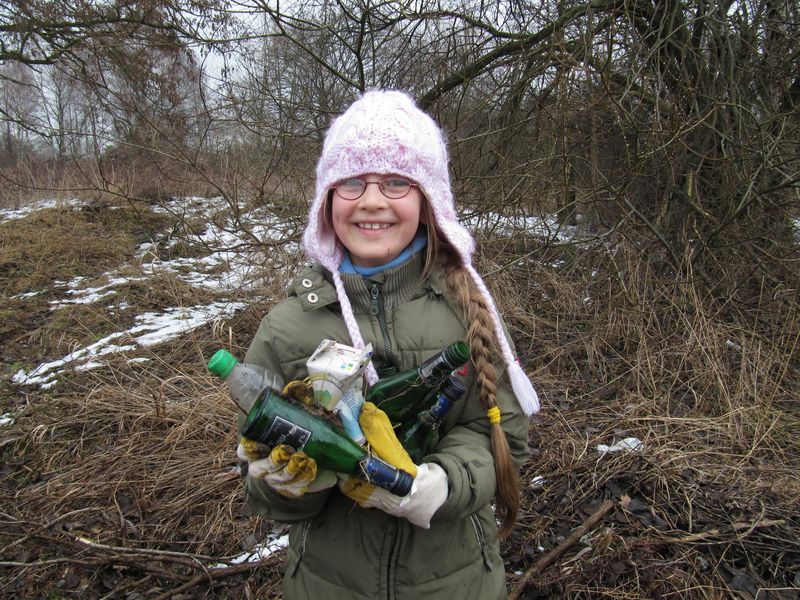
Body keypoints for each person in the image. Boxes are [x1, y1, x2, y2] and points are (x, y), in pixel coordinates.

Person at [237, 90, 540, 599]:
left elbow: (504, 431)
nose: (372, 201)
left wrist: (444, 482)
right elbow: (257, 464)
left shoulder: (466, 309)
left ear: (428, 201)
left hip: (457, 583)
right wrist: (285, 482)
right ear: (327, 200)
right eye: (351, 181)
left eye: (396, 182)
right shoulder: (287, 327)